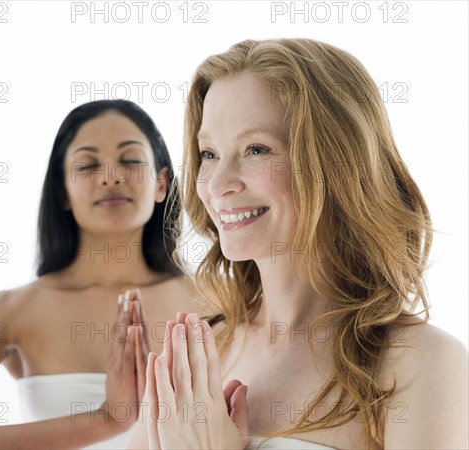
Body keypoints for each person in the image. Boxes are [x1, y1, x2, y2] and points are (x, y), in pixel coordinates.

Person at [129, 39, 469, 449]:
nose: (217, 186)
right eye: (209, 153)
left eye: (257, 149)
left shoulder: (422, 365)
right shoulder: (197, 355)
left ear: (338, 164)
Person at [0, 99, 203, 449]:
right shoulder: (7, 313)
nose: (111, 176)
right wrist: (105, 421)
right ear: (62, 190)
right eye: (88, 165)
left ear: (162, 182)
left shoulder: (216, 302)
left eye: (130, 160)